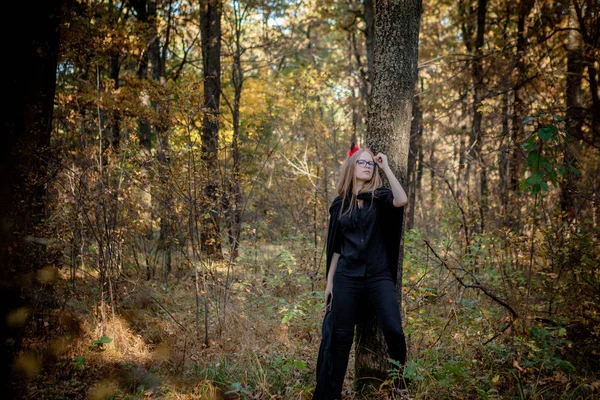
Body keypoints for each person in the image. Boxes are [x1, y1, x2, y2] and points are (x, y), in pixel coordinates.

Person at [313, 145, 408, 400]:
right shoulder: (339, 205)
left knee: (394, 330)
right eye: (362, 163)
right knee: (340, 339)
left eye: (370, 164)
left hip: (378, 276)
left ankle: (400, 384)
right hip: (347, 277)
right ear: (351, 166)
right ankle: (331, 395)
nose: (367, 167)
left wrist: (386, 166)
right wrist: (329, 282)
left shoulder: (380, 197)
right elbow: (335, 248)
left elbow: (402, 200)